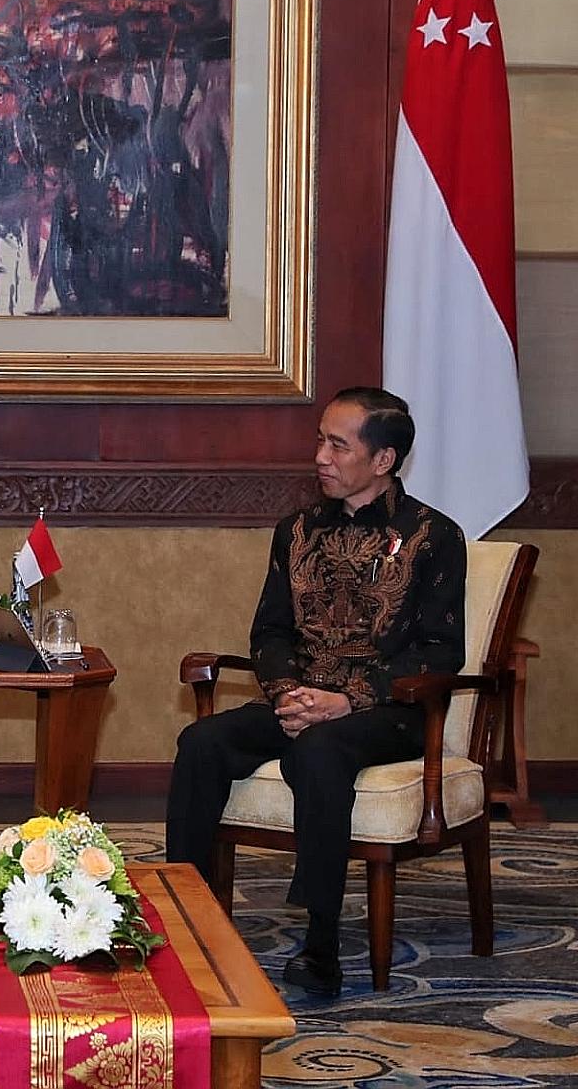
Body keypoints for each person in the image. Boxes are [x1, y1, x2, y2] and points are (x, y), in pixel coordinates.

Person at [165, 387, 466, 996]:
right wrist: (288, 691)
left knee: (320, 749)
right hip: (298, 700)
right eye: (319, 440)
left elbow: (440, 651)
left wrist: (349, 698)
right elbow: (269, 631)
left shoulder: (435, 536)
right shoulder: (296, 530)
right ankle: (185, 915)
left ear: (382, 460)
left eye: (338, 444)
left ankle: (321, 938)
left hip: (389, 711)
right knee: (202, 741)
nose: (320, 456)